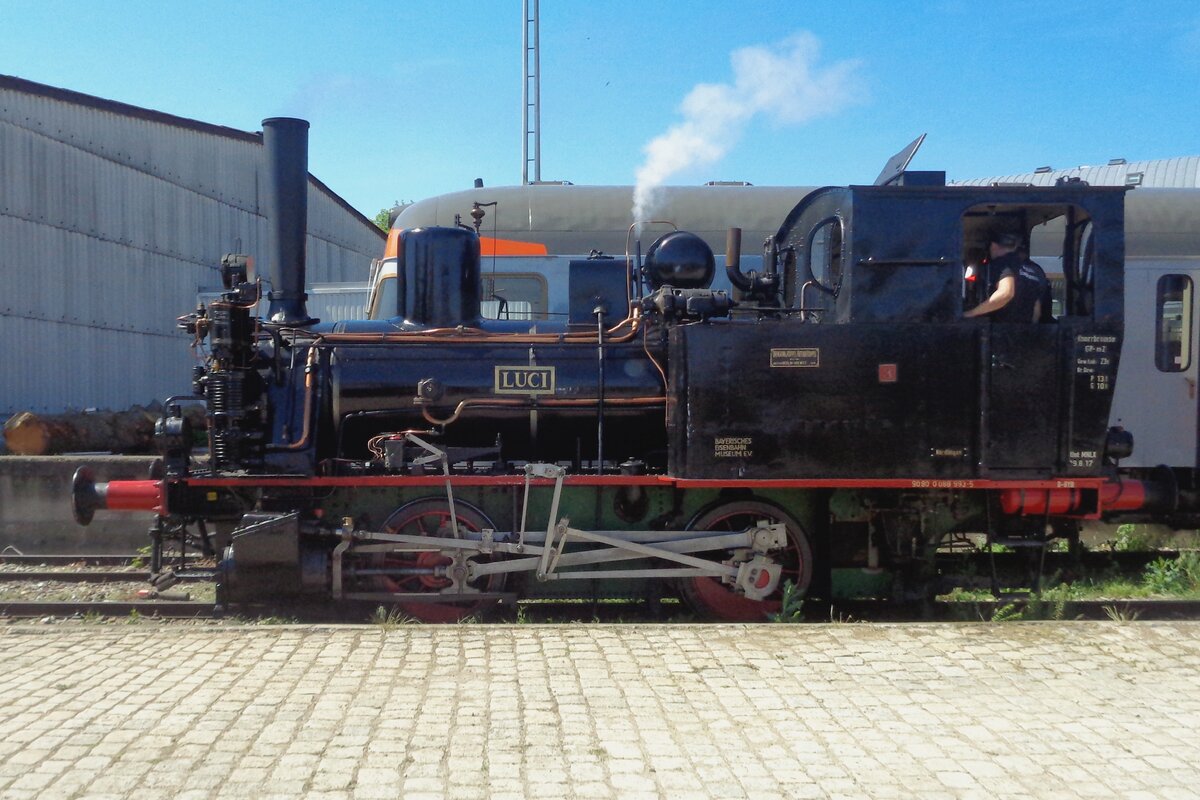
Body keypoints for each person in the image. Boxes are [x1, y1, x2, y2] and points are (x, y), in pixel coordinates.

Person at [963, 231, 1049, 322]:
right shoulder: (1034, 269)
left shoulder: (1001, 264)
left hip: (999, 330)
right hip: (1027, 331)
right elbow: (1037, 309)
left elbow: (1006, 293)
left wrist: (970, 314)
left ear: (993, 246)